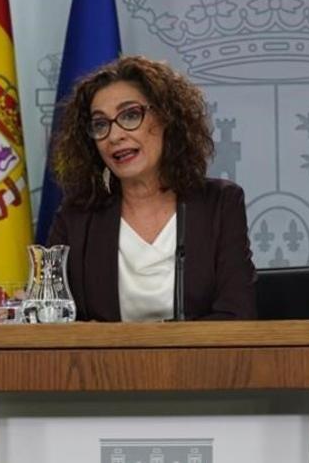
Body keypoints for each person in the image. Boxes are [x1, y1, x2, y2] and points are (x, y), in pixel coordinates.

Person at [47, 55, 256, 321]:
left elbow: (237, 315)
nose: (115, 135)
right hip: (102, 364)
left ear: (166, 117)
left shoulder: (220, 204)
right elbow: (55, 320)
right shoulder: (77, 216)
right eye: (100, 124)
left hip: (202, 363)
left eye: (130, 115)